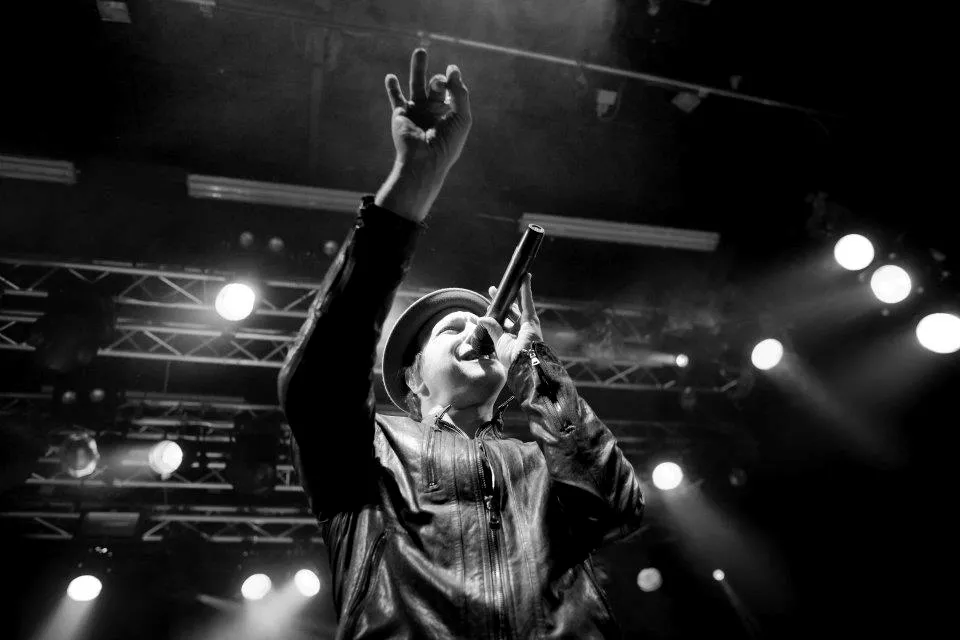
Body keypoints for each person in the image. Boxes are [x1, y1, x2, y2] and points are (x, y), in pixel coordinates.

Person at [279, 48, 644, 640]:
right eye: (451, 328)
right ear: (412, 377)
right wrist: (414, 182)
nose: (481, 331)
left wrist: (538, 368)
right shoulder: (372, 454)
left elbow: (618, 506)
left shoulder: (541, 462)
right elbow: (320, 376)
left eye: (488, 329)